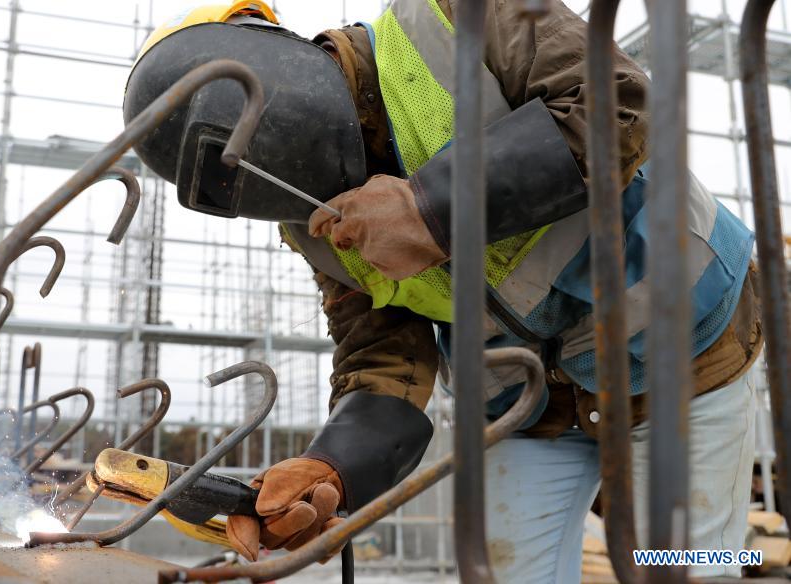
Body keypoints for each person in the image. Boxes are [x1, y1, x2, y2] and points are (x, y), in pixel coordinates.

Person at [123, 1, 763, 580]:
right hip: (528, 407)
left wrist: (429, 210)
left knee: (686, 566)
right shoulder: (312, 223)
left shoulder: (457, 16)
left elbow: (618, 106)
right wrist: (331, 469)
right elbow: (383, 364)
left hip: (685, 357)